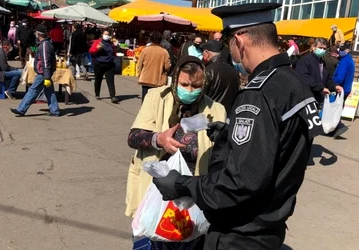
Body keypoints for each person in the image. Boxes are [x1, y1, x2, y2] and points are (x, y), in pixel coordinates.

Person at [152, 3, 324, 249]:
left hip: (241, 233)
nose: (229, 52)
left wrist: (181, 185)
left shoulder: (259, 93)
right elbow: (279, 147)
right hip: (271, 224)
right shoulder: (293, 82)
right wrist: (228, 134)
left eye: (228, 44)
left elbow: (241, 183)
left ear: (240, 42)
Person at [126, 56, 227, 249]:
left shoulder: (217, 109)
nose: (189, 90)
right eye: (184, 84)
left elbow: (222, 159)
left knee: (190, 241)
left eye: (196, 85)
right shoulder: (156, 97)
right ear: (175, 79)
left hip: (192, 199)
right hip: (155, 195)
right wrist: (158, 139)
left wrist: (223, 138)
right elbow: (133, 137)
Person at [10, 25, 60, 117]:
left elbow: (45, 61)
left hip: (43, 73)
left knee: (33, 90)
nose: (35, 34)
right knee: (49, 91)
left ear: (38, 34)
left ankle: (21, 109)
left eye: (36, 32)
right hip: (45, 73)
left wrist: (47, 76)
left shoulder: (44, 45)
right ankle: (55, 110)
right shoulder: (45, 43)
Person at [295, 38, 343, 106]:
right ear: (313, 47)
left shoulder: (322, 61)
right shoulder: (304, 61)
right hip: (307, 99)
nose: (322, 50)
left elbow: (327, 78)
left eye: (324, 48)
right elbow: (305, 78)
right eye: (320, 48)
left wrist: (335, 86)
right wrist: (320, 88)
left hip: (319, 98)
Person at [200, 40, 240, 114]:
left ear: (206, 53)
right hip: (228, 115)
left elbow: (200, 96)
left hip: (211, 115)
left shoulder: (207, 71)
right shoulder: (233, 71)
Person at [136, 32, 171, 102]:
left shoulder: (145, 50)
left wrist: (139, 74)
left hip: (146, 78)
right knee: (155, 100)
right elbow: (167, 66)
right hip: (158, 80)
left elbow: (139, 64)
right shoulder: (164, 52)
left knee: (145, 99)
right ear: (160, 40)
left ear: (151, 40)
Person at [89, 29, 119, 103]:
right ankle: (97, 94)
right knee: (98, 80)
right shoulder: (97, 42)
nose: (106, 36)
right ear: (102, 35)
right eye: (105, 34)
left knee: (110, 81)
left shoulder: (111, 43)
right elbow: (91, 51)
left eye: (108, 34)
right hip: (99, 64)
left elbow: (114, 52)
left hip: (109, 64)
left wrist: (116, 46)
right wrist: (97, 48)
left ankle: (113, 97)